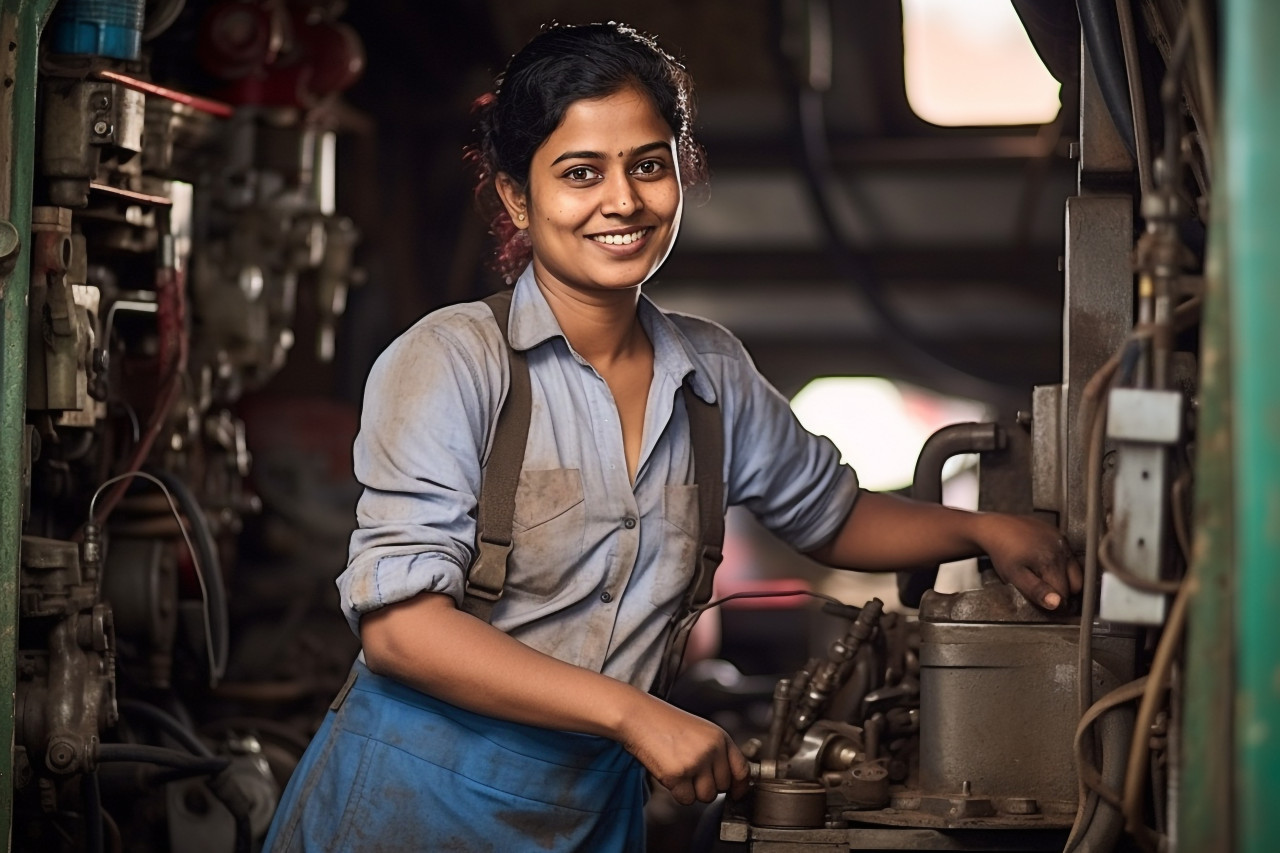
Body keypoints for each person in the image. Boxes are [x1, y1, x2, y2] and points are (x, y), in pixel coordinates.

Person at [262, 21, 1082, 852]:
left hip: (588, 813)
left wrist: (981, 529)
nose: (622, 201)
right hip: (408, 802)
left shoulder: (712, 372)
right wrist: (635, 712)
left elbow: (830, 515)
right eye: (580, 173)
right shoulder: (450, 362)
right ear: (517, 195)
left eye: (648, 165)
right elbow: (402, 629)